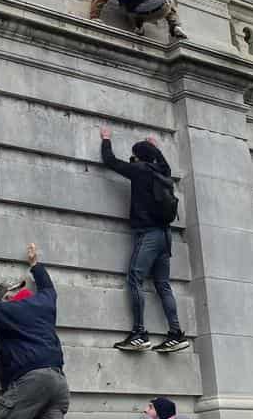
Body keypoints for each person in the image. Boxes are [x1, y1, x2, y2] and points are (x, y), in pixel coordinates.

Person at [99, 128, 189, 354]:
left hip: (148, 234)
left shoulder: (139, 170)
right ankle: (175, 334)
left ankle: (139, 333)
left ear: (138, 157)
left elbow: (111, 161)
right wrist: (156, 149)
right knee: (163, 285)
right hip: (166, 236)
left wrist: (107, 139)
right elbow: (166, 165)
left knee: (134, 278)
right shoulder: (163, 172)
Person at [0, 243, 69, 419]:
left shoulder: (7, 310)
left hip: (33, 382)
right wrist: (35, 264)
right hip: (59, 386)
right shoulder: (44, 302)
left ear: (6, 298)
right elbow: (48, 288)